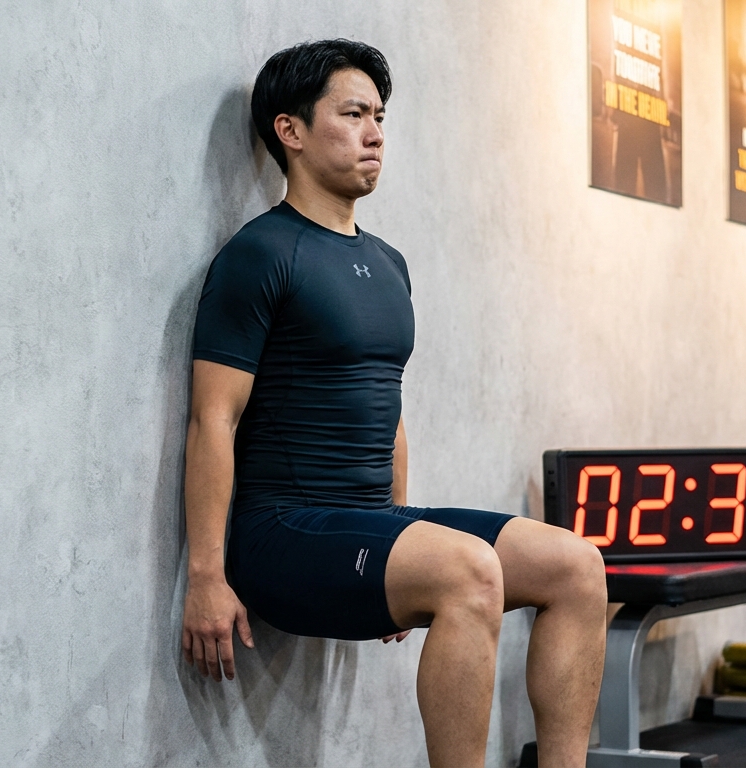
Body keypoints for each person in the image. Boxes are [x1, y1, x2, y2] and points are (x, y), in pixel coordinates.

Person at [180, 39, 607, 767]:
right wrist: (206, 577)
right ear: (291, 131)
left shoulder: (387, 263)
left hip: (361, 522)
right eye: (352, 114)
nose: (376, 133)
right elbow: (212, 418)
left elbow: (388, 402)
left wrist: (397, 534)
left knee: (575, 564)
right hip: (279, 531)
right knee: (471, 570)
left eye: (380, 116)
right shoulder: (261, 253)